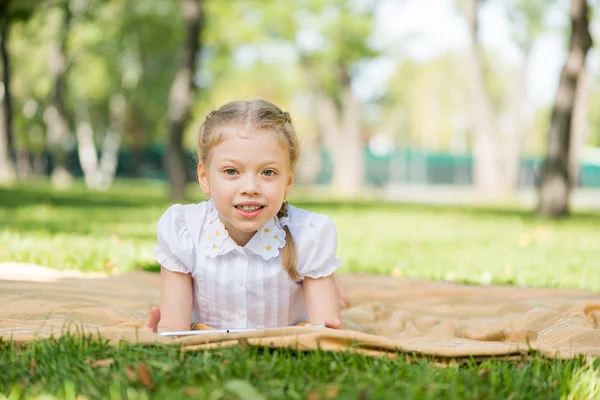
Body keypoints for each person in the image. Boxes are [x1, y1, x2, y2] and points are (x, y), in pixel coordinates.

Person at [144, 99, 346, 334]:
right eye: (232, 171)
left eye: (268, 172)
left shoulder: (309, 234)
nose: (250, 187)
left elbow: (326, 331)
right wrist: (164, 332)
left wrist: (322, 329)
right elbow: (174, 329)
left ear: (288, 181)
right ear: (205, 177)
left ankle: (338, 289)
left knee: (333, 292)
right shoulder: (183, 231)